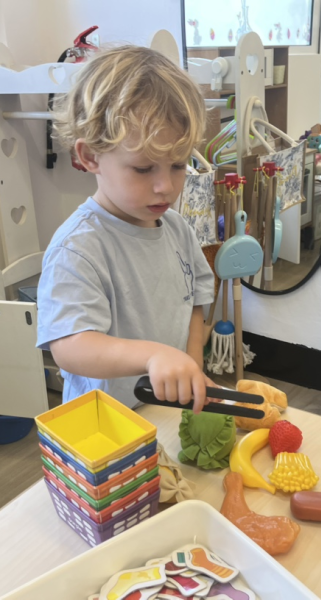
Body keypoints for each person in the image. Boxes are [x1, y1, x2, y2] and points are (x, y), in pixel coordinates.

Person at [37, 45, 215, 413]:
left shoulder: (177, 229)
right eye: (143, 168)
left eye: (178, 165)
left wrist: (191, 369)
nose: (166, 186)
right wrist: (153, 355)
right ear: (90, 157)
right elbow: (70, 346)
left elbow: (195, 305)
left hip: (165, 412)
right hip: (106, 425)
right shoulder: (79, 247)